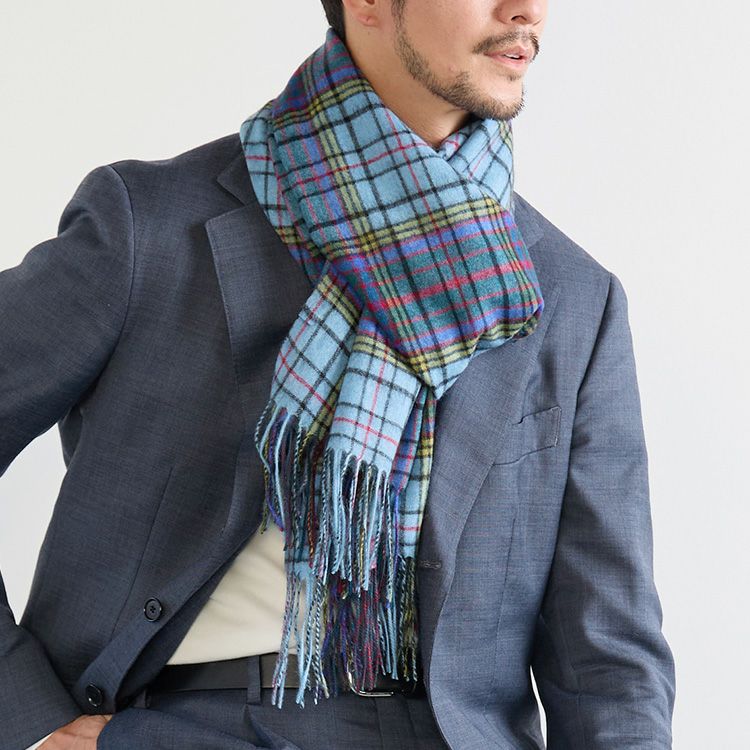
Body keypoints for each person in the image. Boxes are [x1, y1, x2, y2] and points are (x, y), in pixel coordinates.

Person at [1, 1, 676, 748]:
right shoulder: (150, 227)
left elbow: (607, 651)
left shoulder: (572, 296)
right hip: (184, 722)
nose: (528, 9)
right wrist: (29, 716)